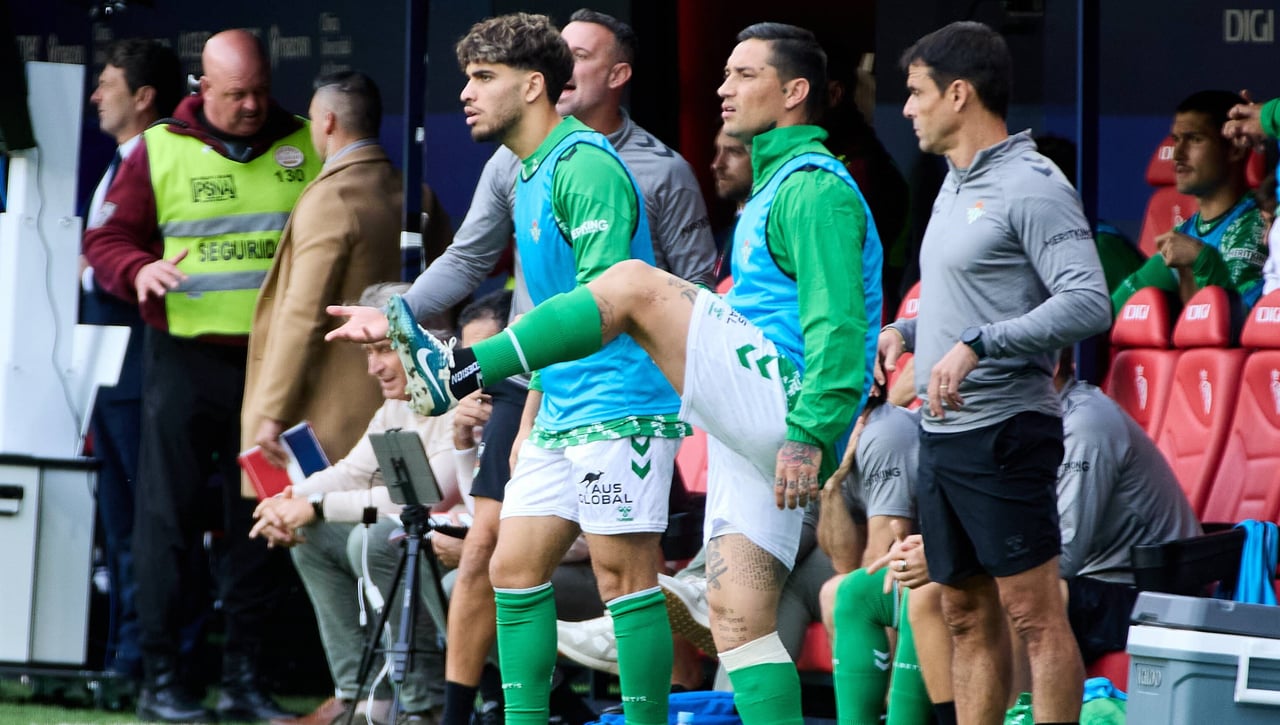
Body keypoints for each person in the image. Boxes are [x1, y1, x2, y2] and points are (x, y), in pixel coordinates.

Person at [384, 21, 881, 724]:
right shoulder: (771, 187)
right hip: (746, 420)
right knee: (739, 622)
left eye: (743, 74)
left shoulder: (814, 187)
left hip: (768, 408)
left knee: (630, 283)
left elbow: (839, 327)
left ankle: (461, 370)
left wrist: (812, 428)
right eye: (726, 71)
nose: (722, 86)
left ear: (795, 91)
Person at [326, 10, 716, 724]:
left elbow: (604, 306)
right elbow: (470, 258)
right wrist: (399, 315)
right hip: (557, 398)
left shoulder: (589, 165)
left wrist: (476, 363)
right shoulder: (521, 167)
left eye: (483, 78)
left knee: (622, 577)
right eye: (467, 77)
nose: (467, 93)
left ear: (534, 85)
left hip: (620, 402)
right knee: (509, 569)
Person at [83, 29, 321, 723]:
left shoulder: (305, 141)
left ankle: (244, 679)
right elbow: (104, 240)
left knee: (264, 515)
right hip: (185, 362)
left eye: (260, 91)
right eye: (235, 94)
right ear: (203, 89)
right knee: (168, 522)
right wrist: (137, 268)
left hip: (272, 369)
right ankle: (164, 678)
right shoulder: (160, 147)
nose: (251, 105)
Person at [879, 21, 1111, 725]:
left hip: (1008, 431)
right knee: (961, 611)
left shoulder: (1032, 183)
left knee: (1033, 615)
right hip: (943, 434)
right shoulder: (950, 185)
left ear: (959, 93)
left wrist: (980, 343)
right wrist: (911, 331)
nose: (908, 109)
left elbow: (1088, 301)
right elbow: (979, 295)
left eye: (916, 93)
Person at [874, 348, 1201, 725]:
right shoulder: (1017, 423)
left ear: (1051, 366)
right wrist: (944, 550)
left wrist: (946, 555)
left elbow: (1065, 553)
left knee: (1023, 591)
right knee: (930, 594)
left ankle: (1019, 717)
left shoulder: (1084, 424)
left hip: (1144, 595)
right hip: (1084, 582)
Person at [251, 281, 460, 725]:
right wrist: (287, 501)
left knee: (380, 536)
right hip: (420, 540)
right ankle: (364, 699)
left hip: (462, 542)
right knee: (314, 533)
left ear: (430, 344)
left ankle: (426, 706)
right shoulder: (397, 408)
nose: (374, 368)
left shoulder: (460, 402)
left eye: (384, 349)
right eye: (369, 353)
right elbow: (349, 472)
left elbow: (426, 498)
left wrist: (320, 504)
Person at [241, 70, 402, 495]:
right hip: (399, 405)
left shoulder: (331, 197)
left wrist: (271, 410)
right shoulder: (416, 192)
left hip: (327, 420)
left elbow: (303, 313)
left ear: (327, 122)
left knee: (315, 533)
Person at [79, 37, 183, 683]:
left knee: (144, 518)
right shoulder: (119, 161)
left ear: (142, 96)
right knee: (116, 520)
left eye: (107, 83)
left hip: (144, 362)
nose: (96, 95)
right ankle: (122, 653)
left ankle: (145, 657)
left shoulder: (158, 162)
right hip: (104, 364)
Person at [1112, 90, 1269, 312]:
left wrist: (1202, 260)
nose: (1177, 154)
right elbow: (1110, 314)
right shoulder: (1185, 232)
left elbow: (1250, 324)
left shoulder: (1257, 225)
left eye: (1195, 139)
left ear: (1235, 149)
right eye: (1176, 140)